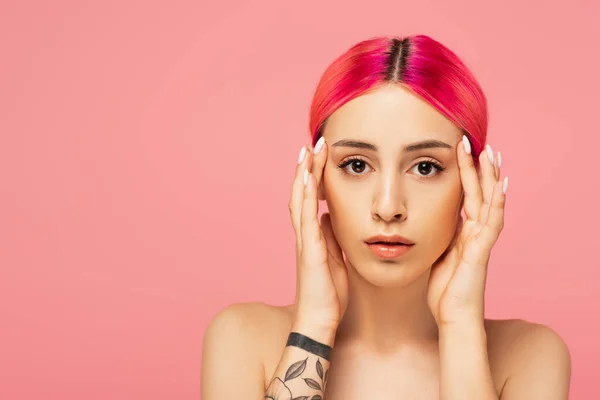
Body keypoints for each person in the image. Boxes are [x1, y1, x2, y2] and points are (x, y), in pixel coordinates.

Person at [200, 34, 571, 399]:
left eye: (425, 168)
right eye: (357, 165)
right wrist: (314, 325)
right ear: (317, 177)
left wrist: (459, 326)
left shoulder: (530, 357)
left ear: (471, 183)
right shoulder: (242, 340)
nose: (389, 206)